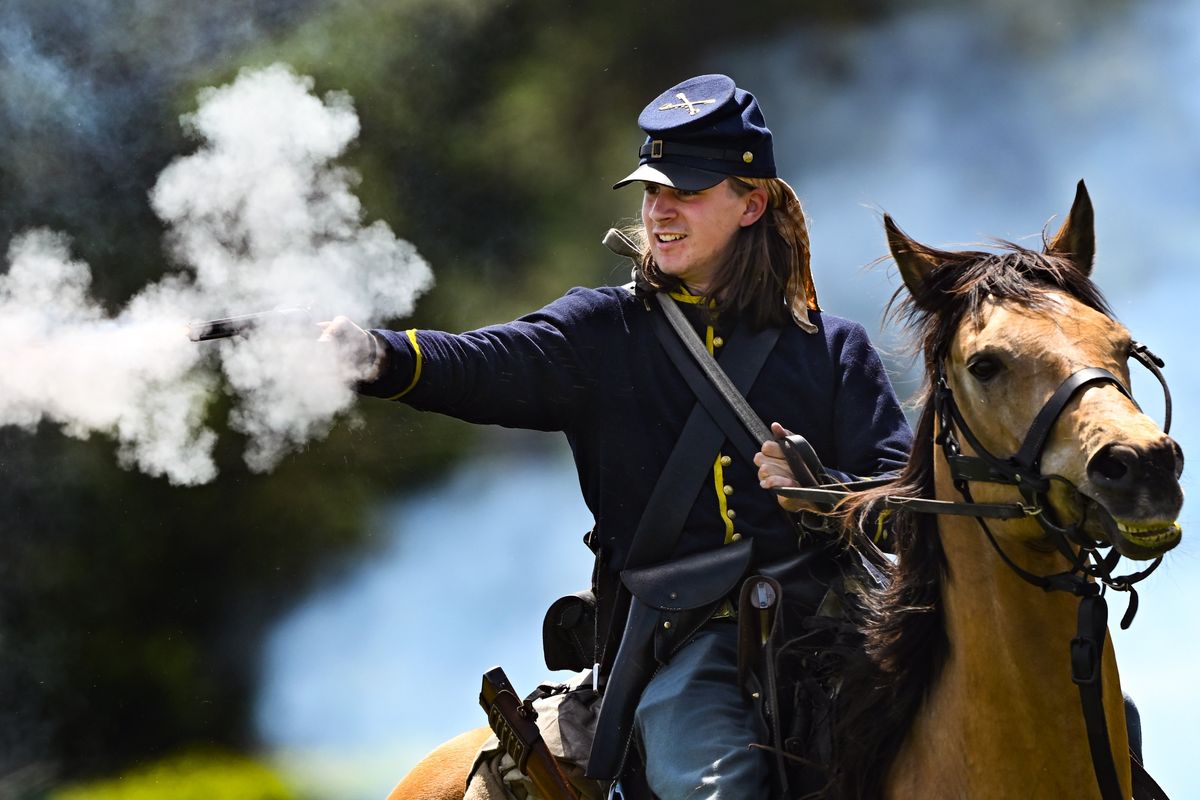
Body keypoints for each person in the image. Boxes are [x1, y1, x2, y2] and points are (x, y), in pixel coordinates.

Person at [321, 74, 911, 800]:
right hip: (688, 645)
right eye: (652, 190)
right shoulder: (599, 334)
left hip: (836, 637)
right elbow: (482, 364)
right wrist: (375, 355)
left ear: (751, 203)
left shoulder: (832, 350)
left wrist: (823, 493)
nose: (660, 211)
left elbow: (907, 507)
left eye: (686, 192)